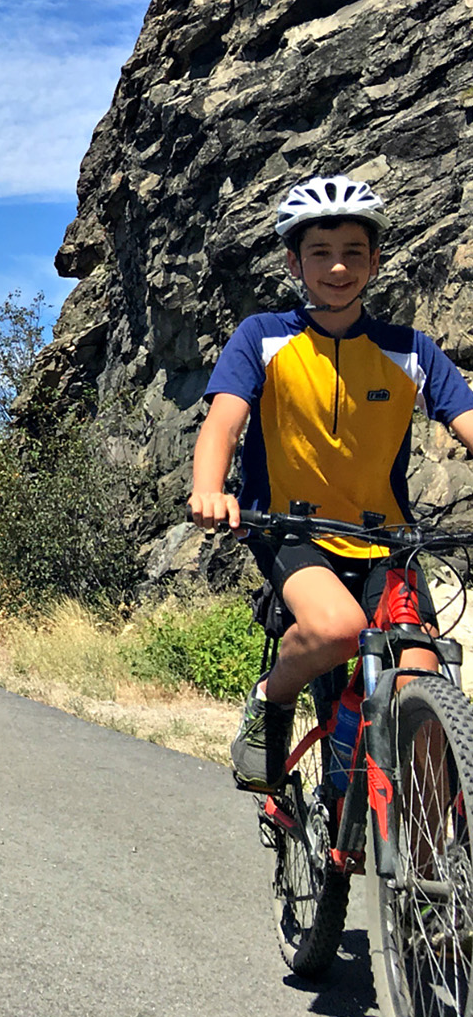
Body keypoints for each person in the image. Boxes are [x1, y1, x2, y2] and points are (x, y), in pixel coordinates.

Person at [189, 176, 473, 792]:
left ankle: (430, 875)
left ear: (374, 261)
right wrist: (210, 488)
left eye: (352, 251)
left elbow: (467, 421)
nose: (338, 267)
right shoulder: (262, 336)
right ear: (295, 262)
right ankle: (272, 698)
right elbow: (223, 422)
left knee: (420, 683)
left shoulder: (411, 350)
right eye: (320, 253)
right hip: (294, 529)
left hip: (388, 538)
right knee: (337, 628)